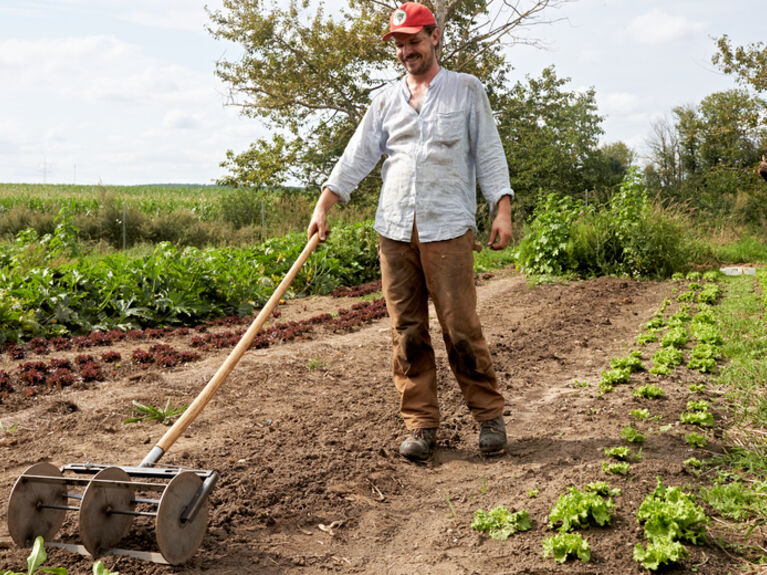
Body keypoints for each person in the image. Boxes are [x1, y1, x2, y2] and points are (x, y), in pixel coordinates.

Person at [307, 1, 514, 461]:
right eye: (399, 45)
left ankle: (488, 417)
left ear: (435, 36)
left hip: (448, 228)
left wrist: (502, 209)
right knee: (406, 332)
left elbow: (490, 153)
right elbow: (356, 157)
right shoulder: (384, 101)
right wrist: (325, 205)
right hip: (395, 230)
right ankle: (421, 425)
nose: (406, 51)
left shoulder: (466, 90)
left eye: (414, 41)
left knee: (460, 327)